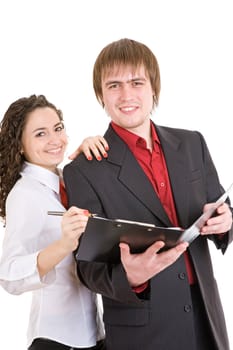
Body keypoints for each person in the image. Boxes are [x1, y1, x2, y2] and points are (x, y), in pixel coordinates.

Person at [63, 38, 233, 350]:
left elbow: (220, 209)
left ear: (153, 87)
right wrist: (130, 276)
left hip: (206, 321)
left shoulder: (193, 144)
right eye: (114, 85)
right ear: (100, 94)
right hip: (143, 335)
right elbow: (87, 269)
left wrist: (226, 222)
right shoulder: (83, 171)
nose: (126, 95)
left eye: (136, 82)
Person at [0, 94, 108, 350]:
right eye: (40, 134)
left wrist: (92, 153)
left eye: (58, 128)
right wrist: (64, 244)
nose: (54, 140)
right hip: (57, 339)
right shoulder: (24, 195)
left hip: (95, 334)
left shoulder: (67, 180)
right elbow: (10, 275)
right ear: (20, 146)